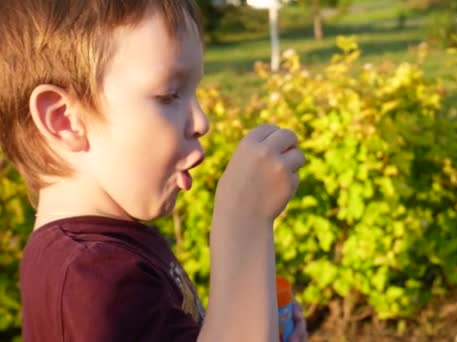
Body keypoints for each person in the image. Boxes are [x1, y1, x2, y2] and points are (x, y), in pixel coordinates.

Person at [0, 0, 308, 341]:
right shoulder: (92, 278)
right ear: (65, 120)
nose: (202, 121)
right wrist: (244, 221)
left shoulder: (106, 252)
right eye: (169, 95)